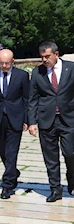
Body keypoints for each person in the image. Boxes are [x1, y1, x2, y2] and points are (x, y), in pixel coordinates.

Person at [28, 41, 74, 202]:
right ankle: (55, 189)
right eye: (42, 57)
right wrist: (32, 122)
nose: (45, 60)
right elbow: (32, 99)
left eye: (48, 56)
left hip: (68, 119)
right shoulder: (37, 73)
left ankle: (72, 179)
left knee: (70, 153)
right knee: (50, 158)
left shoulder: (71, 68)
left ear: (56, 54)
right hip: (46, 120)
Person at [0, 49, 29, 199]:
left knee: (11, 152)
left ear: (13, 62)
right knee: (2, 149)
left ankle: (7, 185)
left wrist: (27, 120)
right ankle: (13, 172)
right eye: (2, 63)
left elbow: (27, 99)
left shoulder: (22, 76)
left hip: (15, 118)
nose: (4, 66)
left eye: (7, 63)